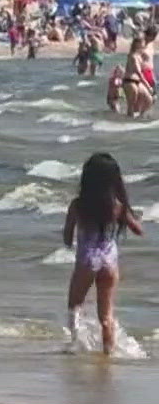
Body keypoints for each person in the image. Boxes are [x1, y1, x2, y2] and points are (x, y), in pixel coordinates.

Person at [63, 152, 144, 354]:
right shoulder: (117, 207)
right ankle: (108, 353)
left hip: (86, 261)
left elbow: (67, 236)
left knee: (75, 305)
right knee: (106, 317)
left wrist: (70, 243)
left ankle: (75, 345)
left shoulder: (78, 204)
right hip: (109, 262)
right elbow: (138, 230)